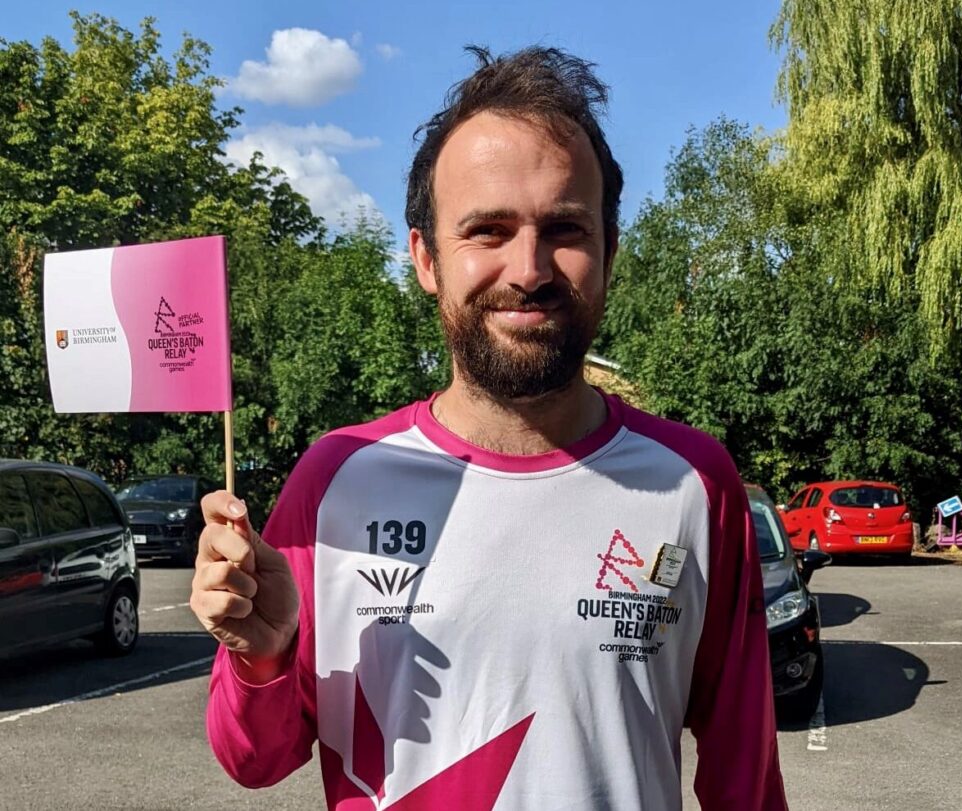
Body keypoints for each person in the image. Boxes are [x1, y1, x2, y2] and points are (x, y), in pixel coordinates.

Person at [191, 46, 788, 810]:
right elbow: (254, 757)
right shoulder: (336, 477)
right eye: (488, 230)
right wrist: (262, 657)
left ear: (609, 252)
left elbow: (747, 780)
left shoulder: (695, 484)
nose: (529, 267)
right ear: (427, 258)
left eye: (565, 227)